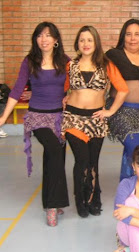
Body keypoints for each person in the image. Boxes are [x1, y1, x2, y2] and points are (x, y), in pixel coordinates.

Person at [0, 22, 69, 226]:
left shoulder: (65, 61)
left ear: (56, 40)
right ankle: (53, 205)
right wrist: (3, 117)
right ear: (35, 39)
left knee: (54, 157)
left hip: (60, 117)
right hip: (37, 117)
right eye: (40, 35)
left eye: (48, 35)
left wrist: (70, 98)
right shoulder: (30, 61)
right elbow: (16, 90)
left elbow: (75, 85)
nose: (44, 39)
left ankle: (50, 199)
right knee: (54, 150)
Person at [63, 25, 129, 218]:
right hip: (73, 119)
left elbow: (123, 89)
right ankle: (80, 200)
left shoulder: (106, 65)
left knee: (93, 163)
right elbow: (63, 87)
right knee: (82, 160)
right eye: (82, 40)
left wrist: (110, 111)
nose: (85, 44)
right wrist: (63, 97)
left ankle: (92, 198)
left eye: (89, 40)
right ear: (77, 43)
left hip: (96, 120)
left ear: (96, 43)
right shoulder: (70, 65)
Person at [105, 19, 139, 181]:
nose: (133, 38)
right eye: (128, 34)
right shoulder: (113, 55)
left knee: (130, 151)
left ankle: (127, 185)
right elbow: (96, 76)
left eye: (137, 34)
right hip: (121, 110)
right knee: (137, 149)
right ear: (123, 37)